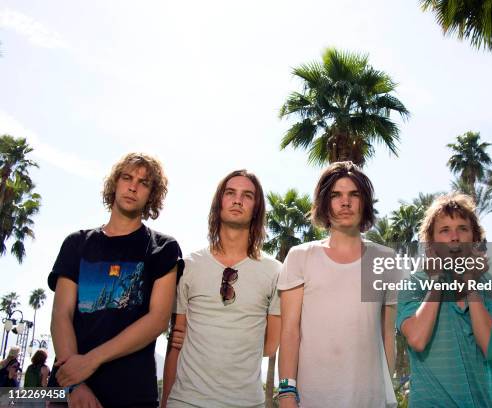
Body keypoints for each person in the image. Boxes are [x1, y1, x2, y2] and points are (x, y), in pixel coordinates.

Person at [48, 152, 182, 408]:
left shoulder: (163, 248)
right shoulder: (76, 243)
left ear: (152, 194)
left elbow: (157, 321)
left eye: (144, 183)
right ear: (115, 183)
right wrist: (75, 383)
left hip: (132, 393)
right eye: (127, 177)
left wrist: (91, 360)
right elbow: (60, 314)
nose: (133, 186)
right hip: (70, 391)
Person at [277, 161, 397, 408]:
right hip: (312, 399)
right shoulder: (301, 256)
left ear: (364, 203)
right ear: (324, 202)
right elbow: (290, 331)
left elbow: (387, 333)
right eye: (336, 195)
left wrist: (385, 396)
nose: (345, 203)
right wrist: (287, 394)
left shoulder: (384, 259)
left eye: (354, 195)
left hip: (369, 400)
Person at [162, 170, 281, 408]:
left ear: (257, 208)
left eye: (247, 195)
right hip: (185, 401)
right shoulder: (189, 265)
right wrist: (165, 402)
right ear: (219, 203)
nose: (238, 200)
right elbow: (176, 343)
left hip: (246, 402)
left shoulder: (275, 271)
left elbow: (269, 346)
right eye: (230, 193)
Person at [396, 193, 492, 407]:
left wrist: (470, 284)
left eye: (462, 229)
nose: (454, 237)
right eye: (445, 230)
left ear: (474, 237)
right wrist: (437, 281)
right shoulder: (414, 284)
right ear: (432, 242)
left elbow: (491, 348)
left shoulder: (490, 286)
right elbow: (417, 339)